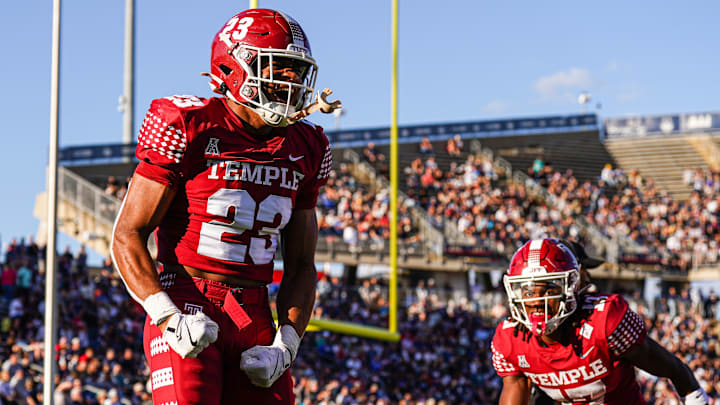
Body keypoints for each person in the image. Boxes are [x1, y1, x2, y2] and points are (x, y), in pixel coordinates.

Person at [111, 8, 333, 405]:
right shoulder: (189, 123)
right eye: (278, 67)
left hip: (255, 314)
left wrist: (287, 346)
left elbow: (301, 264)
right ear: (233, 68)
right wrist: (167, 316)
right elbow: (128, 234)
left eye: (296, 70)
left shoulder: (307, 146)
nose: (291, 80)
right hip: (186, 300)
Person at [491, 238, 709, 405]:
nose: (538, 301)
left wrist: (692, 393)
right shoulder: (509, 338)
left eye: (548, 289)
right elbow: (515, 388)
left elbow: (664, 363)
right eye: (527, 292)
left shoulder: (604, 320)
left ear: (571, 287)